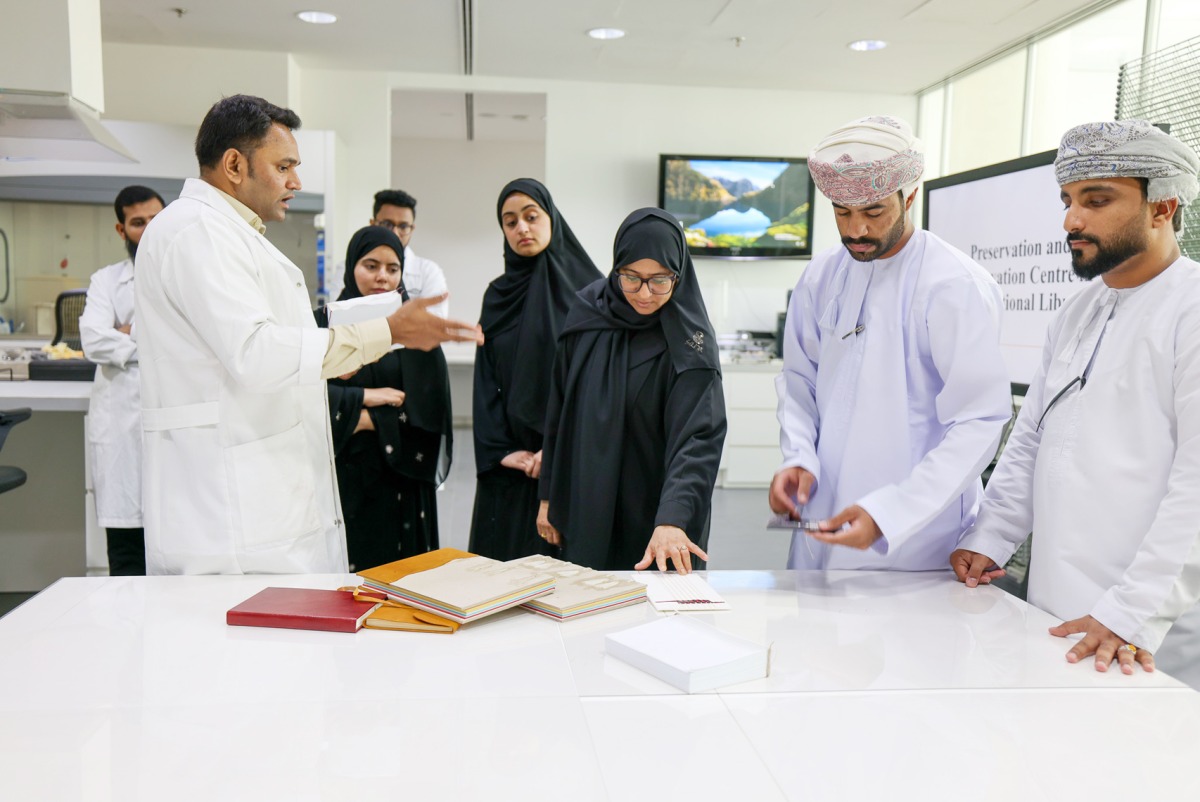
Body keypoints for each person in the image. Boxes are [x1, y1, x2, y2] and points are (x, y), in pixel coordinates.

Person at [134, 94, 482, 575]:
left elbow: (269, 341)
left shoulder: (231, 233)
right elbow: (254, 352)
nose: (296, 182)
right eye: (284, 167)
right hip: (228, 512)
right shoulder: (196, 231)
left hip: (259, 495)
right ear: (235, 164)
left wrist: (345, 348)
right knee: (241, 642)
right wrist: (384, 330)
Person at [952, 120, 1200, 687]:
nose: (1071, 220)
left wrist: (1133, 614)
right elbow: (1034, 437)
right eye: (1067, 201)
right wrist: (991, 535)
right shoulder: (1076, 312)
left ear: (1162, 206)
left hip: (1147, 630)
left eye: (1097, 200)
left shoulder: (1193, 310)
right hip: (1055, 609)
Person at [769, 115, 1011, 570]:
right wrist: (798, 456)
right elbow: (800, 381)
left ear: (911, 196)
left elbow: (979, 420)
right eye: (842, 212)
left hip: (914, 539)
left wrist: (892, 513)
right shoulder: (822, 275)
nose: (856, 230)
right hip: (821, 520)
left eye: (874, 212)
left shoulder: (953, 285)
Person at [537, 208, 727, 573]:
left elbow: (698, 440)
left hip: (655, 518)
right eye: (631, 278)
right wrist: (548, 497)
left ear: (678, 274)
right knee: (585, 611)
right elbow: (559, 412)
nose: (644, 293)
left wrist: (673, 517)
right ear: (616, 269)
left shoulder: (692, 344)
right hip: (586, 500)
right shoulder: (586, 316)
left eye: (659, 280)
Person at [468, 178, 602, 561]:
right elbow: (486, 379)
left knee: (569, 586)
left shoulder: (590, 293)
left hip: (570, 460)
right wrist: (501, 452)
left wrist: (557, 448)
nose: (521, 228)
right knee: (503, 581)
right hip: (514, 465)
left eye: (531, 216)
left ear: (551, 218)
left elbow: (596, 380)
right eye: (510, 222)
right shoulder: (497, 295)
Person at [316, 226, 452, 571]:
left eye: (393, 269)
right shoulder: (324, 325)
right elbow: (300, 393)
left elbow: (428, 407)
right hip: (341, 477)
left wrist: (362, 415)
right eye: (371, 265)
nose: (382, 277)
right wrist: (365, 399)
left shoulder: (413, 331)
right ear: (351, 266)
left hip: (402, 481)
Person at [79, 185, 164, 576]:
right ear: (121, 229)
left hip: (171, 425)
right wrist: (151, 340)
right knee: (127, 555)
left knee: (173, 550)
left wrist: (126, 332)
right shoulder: (106, 281)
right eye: (137, 223)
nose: (148, 230)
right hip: (122, 432)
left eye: (155, 219)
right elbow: (93, 339)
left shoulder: (188, 277)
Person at [326, 189, 449, 318]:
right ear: (372, 224)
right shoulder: (347, 268)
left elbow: (432, 327)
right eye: (387, 224)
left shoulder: (429, 271)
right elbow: (337, 315)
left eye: (403, 226)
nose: (395, 233)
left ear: (412, 229)